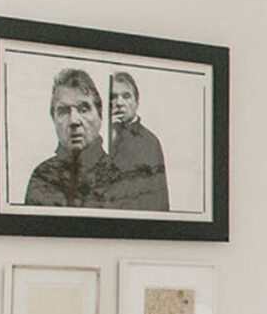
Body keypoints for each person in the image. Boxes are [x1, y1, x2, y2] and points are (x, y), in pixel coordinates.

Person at [21, 68, 119, 207]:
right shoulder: (42, 178)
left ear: (100, 116)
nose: (74, 120)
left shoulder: (121, 175)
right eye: (64, 111)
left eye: (83, 109)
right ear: (53, 119)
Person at [104, 70, 171, 211]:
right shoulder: (99, 137)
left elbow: (160, 196)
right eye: (113, 97)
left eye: (126, 96)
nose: (119, 103)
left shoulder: (150, 142)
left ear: (136, 102)